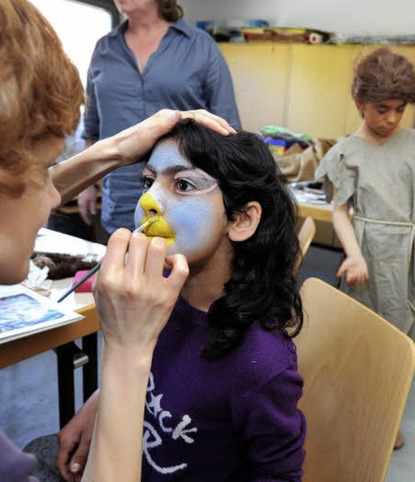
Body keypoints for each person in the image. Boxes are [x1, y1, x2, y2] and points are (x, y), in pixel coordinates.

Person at [0, 1, 234, 480]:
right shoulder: (105, 50)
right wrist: (122, 371)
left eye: (183, 184)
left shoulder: (256, 359)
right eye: (42, 170)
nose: (53, 195)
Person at [55, 121, 307, 481]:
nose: (148, 201)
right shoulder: (157, 301)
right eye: (148, 181)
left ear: (241, 219)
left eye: (183, 184)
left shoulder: (261, 365)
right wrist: (100, 403)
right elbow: (156, 373)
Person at [315, 47, 415, 449]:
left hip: (408, 252)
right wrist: (353, 253)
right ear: (359, 103)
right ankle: (356, 414)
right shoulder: (346, 154)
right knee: (364, 339)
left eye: (398, 110)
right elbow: (340, 211)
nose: (390, 118)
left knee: (401, 339)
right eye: (381, 109)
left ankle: (387, 418)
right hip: (368, 252)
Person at [77, 0, 241, 236]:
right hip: (119, 200)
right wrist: (87, 185)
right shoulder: (104, 49)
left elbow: (228, 128)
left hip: (184, 202)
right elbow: (91, 129)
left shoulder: (200, 46)